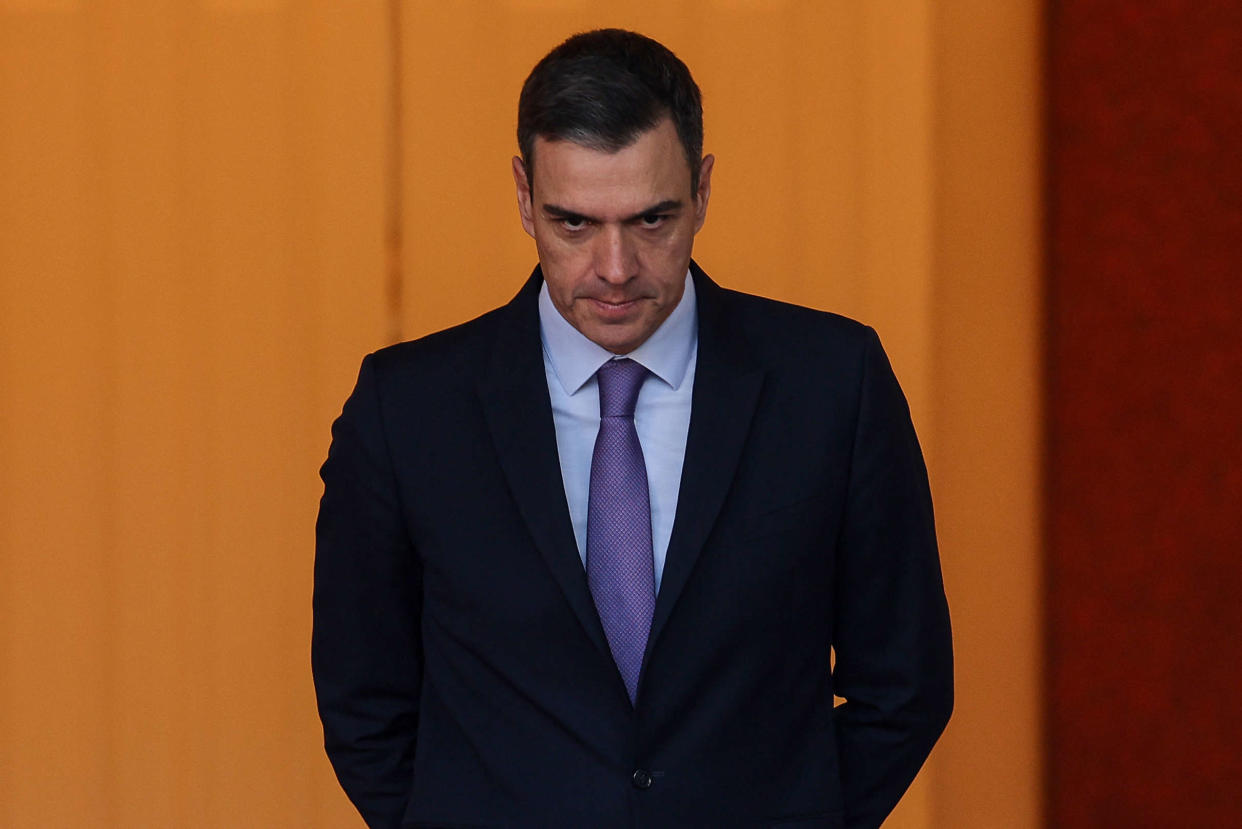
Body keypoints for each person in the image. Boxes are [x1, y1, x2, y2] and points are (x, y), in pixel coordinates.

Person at [313, 28, 952, 829]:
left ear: (704, 190)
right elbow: (362, 699)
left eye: (652, 220)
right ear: (522, 196)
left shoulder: (832, 385)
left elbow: (905, 682)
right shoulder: (407, 410)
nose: (615, 268)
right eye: (574, 224)